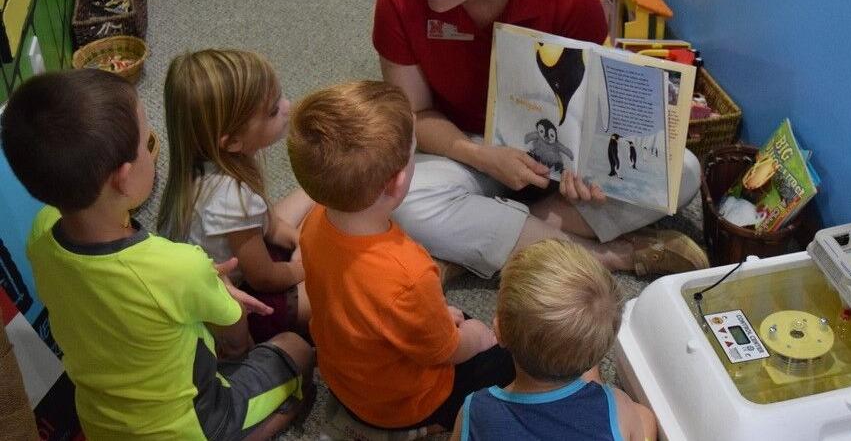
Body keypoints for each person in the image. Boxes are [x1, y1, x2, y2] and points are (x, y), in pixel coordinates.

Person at [373, 0, 706, 280]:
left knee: (683, 171)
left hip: (556, 159)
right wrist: (481, 155)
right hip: (466, 147)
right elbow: (415, 114)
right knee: (404, 199)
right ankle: (604, 255)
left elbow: (593, 103)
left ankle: (487, 240)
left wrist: (585, 167)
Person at [0, 69, 314, 440]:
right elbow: (235, 339)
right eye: (146, 140)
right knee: (298, 351)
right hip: (190, 426)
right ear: (124, 176)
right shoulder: (178, 266)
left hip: (101, 422)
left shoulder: (41, 232)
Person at [287, 80, 516, 434]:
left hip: (346, 381)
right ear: (397, 183)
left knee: (447, 317)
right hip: (402, 405)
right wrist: (477, 336)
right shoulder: (409, 271)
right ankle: (438, 422)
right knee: (504, 355)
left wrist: (436, 317)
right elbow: (446, 351)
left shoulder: (314, 223)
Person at [157, 49, 314, 354]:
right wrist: (307, 266)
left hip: (241, 258)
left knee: (315, 200)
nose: (288, 107)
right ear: (232, 142)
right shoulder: (231, 198)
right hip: (241, 303)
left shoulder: (208, 164)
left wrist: (300, 240)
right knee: (337, 288)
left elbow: (270, 224)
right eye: (272, 111)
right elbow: (265, 278)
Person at [451, 239, 656, 440]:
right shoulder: (618, 407)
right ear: (598, 355)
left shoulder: (475, 411)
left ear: (499, 333)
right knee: (644, 417)